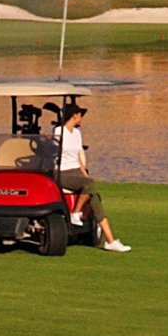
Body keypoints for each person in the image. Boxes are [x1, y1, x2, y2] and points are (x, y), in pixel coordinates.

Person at [53, 104, 130, 252]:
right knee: (90, 185)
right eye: (80, 115)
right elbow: (54, 154)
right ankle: (75, 213)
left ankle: (110, 240)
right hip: (62, 173)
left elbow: (78, 158)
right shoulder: (59, 131)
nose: (82, 118)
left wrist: (84, 174)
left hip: (75, 172)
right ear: (74, 116)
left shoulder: (76, 133)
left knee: (94, 196)